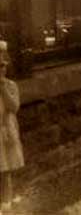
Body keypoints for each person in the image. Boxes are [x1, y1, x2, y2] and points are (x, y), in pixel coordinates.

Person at [0, 40, 24, 212]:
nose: (2, 69)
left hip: (6, 131)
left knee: (6, 167)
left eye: (3, 66)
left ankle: (6, 200)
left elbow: (14, 107)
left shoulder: (10, 86)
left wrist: (2, 87)